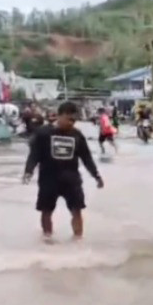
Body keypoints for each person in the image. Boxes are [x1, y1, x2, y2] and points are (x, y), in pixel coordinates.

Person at [22, 101, 104, 240]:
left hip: (71, 180)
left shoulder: (77, 135)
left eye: (74, 120)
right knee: (46, 211)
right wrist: (28, 171)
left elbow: (86, 158)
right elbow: (34, 155)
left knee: (77, 211)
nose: (72, 123)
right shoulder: (43, 133)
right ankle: (47, 239)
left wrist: (96, 176)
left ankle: (78, 241)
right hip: (48, 179)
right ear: (60, 116)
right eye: (69, 119)